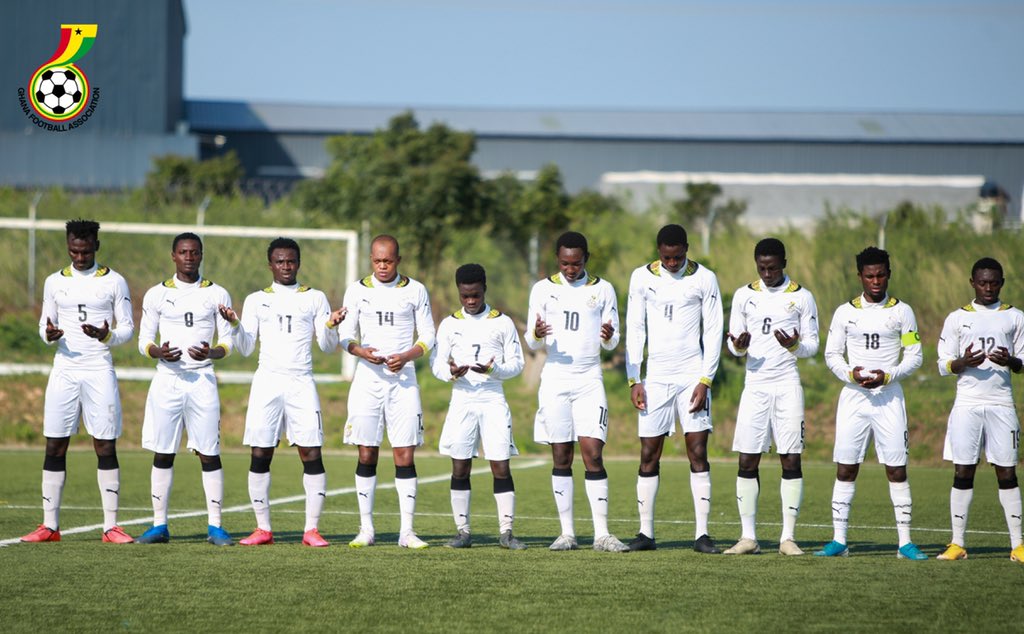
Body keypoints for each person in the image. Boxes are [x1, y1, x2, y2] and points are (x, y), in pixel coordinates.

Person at [222, 237, 345, 547]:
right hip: (267, 382)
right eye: (280, 261)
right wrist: (235, 325)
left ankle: (311, 530)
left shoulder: (315, 298)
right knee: (261, 452)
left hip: (301, 382)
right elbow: (247, 348)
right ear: (270, 265)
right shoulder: (255, 300)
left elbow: (328, 347)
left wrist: (331, 326)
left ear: (298, 263)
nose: (286, 266)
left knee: (311, 452)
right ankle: (263, 528)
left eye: (291, 261)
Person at [21, 219, 136, 544]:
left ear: (96, 247)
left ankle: (111, 526)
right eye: (74, 250)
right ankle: (49, 526)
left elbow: (127, 328)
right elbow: (44, 326)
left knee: (104, 444)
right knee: (55, 444)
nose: (79, 256)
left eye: (85, 251)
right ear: (68, 246)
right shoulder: (54, 282)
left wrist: (107, 335)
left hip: (98, 369)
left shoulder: (114, 281)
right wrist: (48, 334)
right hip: (65, 370)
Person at [818, 246, 927, 559]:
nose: (875, 281)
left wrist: (888, 376)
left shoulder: (902, 312)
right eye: (869, 276)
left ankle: (904, 543)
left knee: (896, 469)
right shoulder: (845, 312)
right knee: (846, 468)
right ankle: (839, 541)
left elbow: (915, 356)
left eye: (881, 275)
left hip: (889, 399)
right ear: (860, 277)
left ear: (889, 275)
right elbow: (832, 355)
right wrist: (851, 373)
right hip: (854, 398)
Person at [624, 224, 723, 554]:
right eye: (666, 257)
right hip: (656, 378)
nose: (671, 263)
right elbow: (635, 328)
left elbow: (713, 330)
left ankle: (702, 535)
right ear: (658, 252)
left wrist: (706, 379)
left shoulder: (704, 278)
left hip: (691, 376)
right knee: (648, 453)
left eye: (678, 257)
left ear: (687, 249)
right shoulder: (641, 278)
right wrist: (634, 378)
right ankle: (645, 533)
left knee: (697, 451)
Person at [526, 231, 627, 552]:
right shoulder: (542, 289)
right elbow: (531, 341)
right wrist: (537, 334)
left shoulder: (603, 289)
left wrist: (609, 335)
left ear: (586, 259)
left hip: (589, 379)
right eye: (565, 263)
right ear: (558, 260)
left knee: (593, 453)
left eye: (577, 263)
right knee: (561, 455)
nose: (571, 269)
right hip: (555, 378)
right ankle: (567, 533)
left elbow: (612, 341)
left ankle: (602, 534)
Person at [134, 233, 237, 546]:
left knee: (209, 452)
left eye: (194, 252)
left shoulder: (218, 293)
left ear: (201, 255)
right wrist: (158, 353)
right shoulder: (156, 294)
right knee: (163, 451)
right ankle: (159, 525)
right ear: (173, 256)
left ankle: (216, 526)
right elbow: (143, 342)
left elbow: (227, 343)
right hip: (167, 380)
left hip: (203, 380)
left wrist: (211, 353)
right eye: (183, 252)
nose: (189, 257)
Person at [722, 238, 819, 556]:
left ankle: (787, 538)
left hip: (787, 385)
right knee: (747, 458)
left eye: (773, 268)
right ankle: (748, 537)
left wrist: (794, 345)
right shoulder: (743, 296)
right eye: (762, 268)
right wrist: (739, 345)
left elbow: (812, 346)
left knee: (790, 457)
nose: (767, 274)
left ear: (784, 263)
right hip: (755, 387)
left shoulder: (802, 297)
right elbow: (734, 344)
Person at [339, 235, 435, 549]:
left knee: (404, 453)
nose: (383, 266)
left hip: (403, 380)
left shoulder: (415, 290)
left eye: (388, 261)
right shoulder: (357, 290)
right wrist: (359, 351)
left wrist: (406, 356)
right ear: (371, 259)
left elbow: (429, 336)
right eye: (378, 261)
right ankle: (366, 529)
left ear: (398, 259)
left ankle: (406, 532)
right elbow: (344, 334)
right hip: (367, 380)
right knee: (367, 451)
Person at [431, 264, 527, 550]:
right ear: (458, 292)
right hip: (462, 399)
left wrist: (493, 371)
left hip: (492, 398)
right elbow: (437, 364)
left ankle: (506, 532)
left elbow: (517, 364)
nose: (470, 301)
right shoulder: (449, 324)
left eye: (475, 295)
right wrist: (451, 373)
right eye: (464, 296)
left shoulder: (502, 322)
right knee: (460, 467)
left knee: (500, 465)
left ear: (485, 288)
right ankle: (463, 532)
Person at [935, 258, 1024, 563]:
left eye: (994, 282)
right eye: (983, 282)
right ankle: (957, 543)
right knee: (963, 469)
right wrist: (964, 363)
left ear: (1002, 282)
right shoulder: (957, 318)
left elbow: (1022, 362)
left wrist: (1009, 361)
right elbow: (943, 364)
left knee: (1007, 471)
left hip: (1001, 404)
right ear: (972, 282)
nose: (988, 287)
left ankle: (1018, 545)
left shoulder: (1015, 317)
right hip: (967, 405)